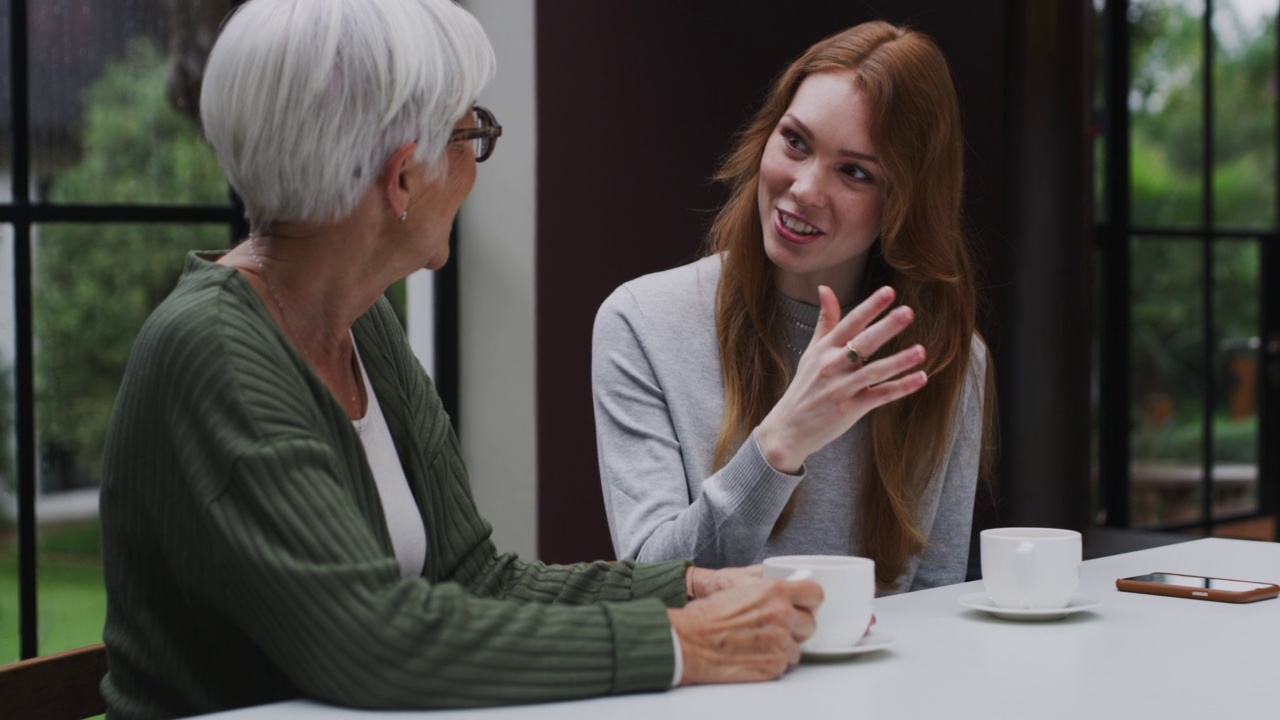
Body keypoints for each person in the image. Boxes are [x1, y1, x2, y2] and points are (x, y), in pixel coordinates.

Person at [97, 1, 822, 717]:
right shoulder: (213, 353)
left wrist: (688, 589)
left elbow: (472, 577)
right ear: (403, 179)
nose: (475, 164)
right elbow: (375, 642)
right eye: (470, 134)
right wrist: (679, 645)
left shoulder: (363, 325)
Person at [593, 20, 995, 593]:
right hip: (715, 681)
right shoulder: (640, 323)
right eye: (796, 142)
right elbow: (652, 582)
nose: (805, 189)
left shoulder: (947, 356)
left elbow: (936, 599)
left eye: (855, 172)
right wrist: (780, 442)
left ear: (904, 203)